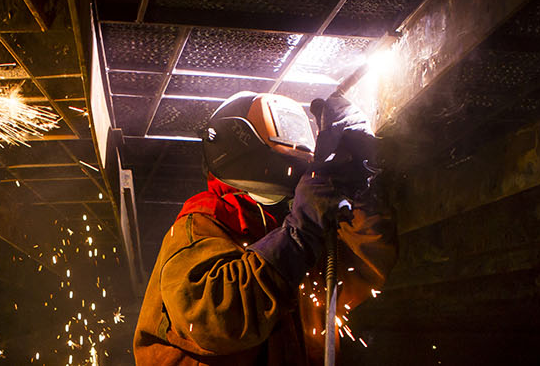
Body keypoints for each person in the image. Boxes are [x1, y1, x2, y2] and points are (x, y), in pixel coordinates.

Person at [133, 91, 396, 365]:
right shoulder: (204, 220)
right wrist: (298, 237)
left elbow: (367, 268)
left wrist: (359, 187)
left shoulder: (295, 218)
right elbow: (215, 320)